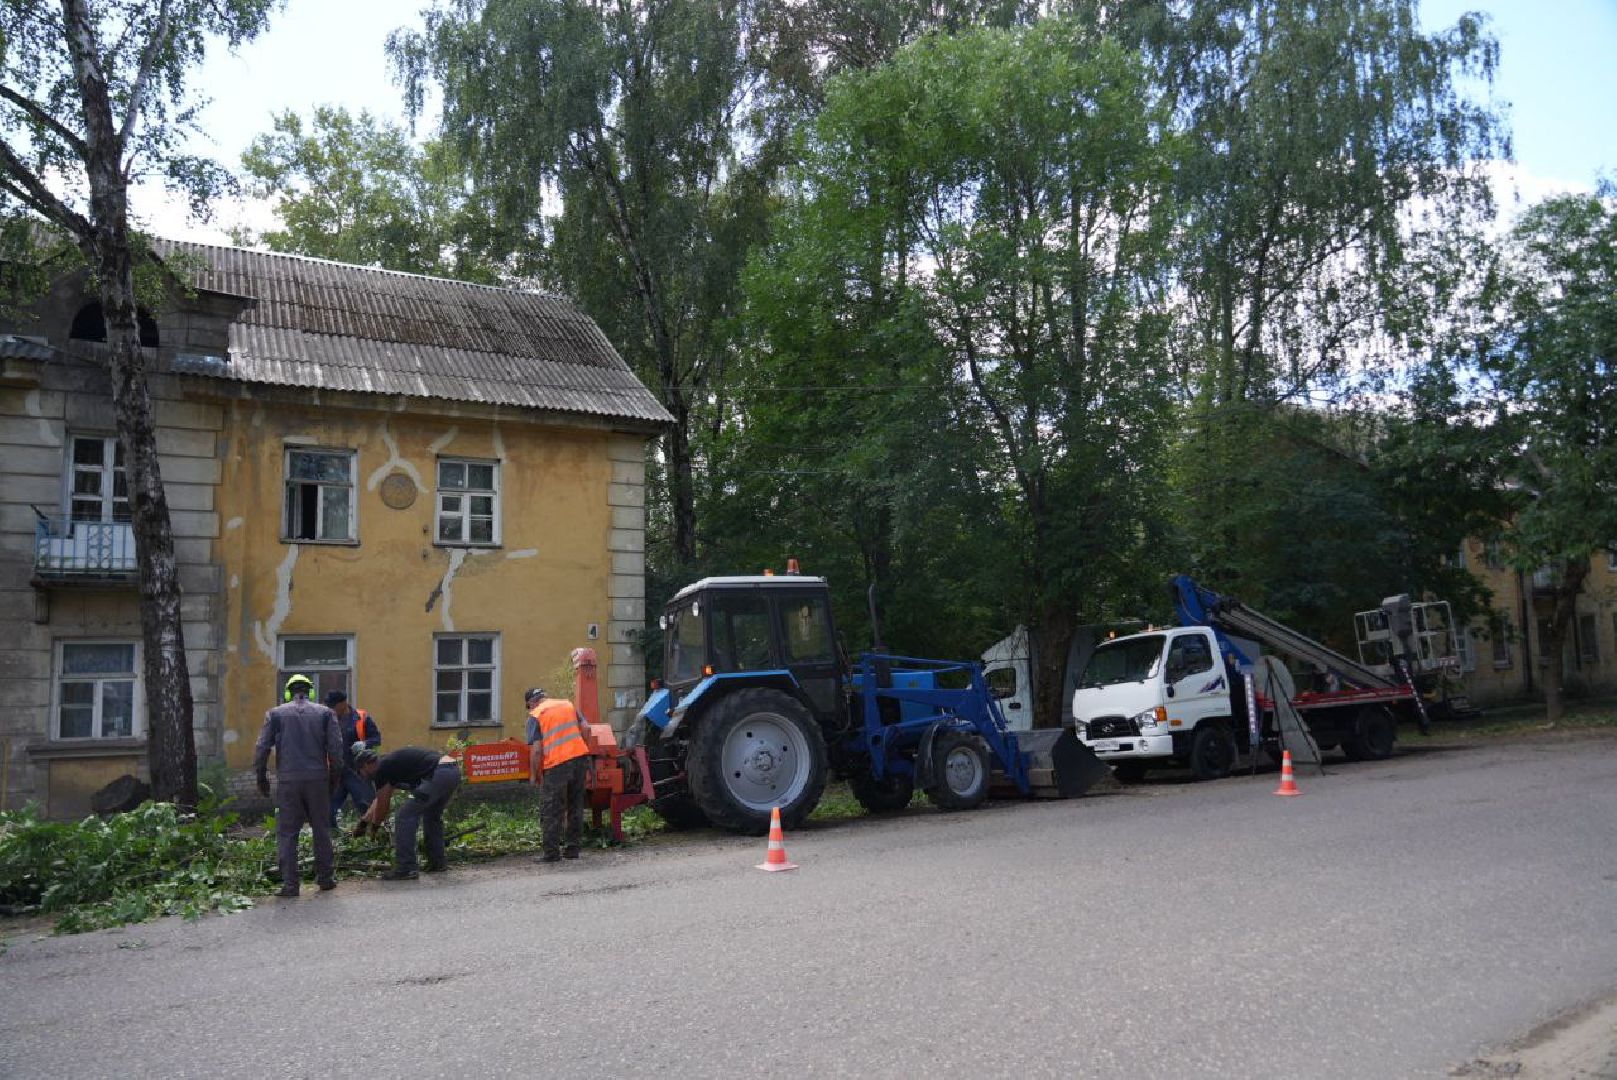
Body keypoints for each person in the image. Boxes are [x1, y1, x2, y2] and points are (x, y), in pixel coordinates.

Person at [255, 673, 343, 897]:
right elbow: (335, 750)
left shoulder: (275, 714)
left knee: (287, 833)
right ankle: (325, 879)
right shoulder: (325, 713)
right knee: (321, 830)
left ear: (288, 692)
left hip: (288, 781)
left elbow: (262, 747)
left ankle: (290, 885)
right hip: (317, 779)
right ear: (310, 691)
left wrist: (261, 777)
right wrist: (334, 778)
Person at [352, 744, 461, 881]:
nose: (362, 776)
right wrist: (363, 823)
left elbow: (383, 805)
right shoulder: (388, 764)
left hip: (437, 774)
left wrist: (374, 828)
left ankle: (406, 868)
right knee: (431, 816)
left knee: (404, 816)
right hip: (452, 770)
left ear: (367, 764)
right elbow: (380, 799)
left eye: (360, 771)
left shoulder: (381, 769)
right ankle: (437, 862)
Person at [525, 687, 591, 863]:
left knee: (552, 809)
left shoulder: (536, 715)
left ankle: (552, 853)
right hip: (579, 760)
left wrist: (534, 775)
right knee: (575, 805)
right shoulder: (568, 705)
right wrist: (581, 749)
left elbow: (537, 750)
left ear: (532, 703)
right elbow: (586, 729)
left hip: (557, 765)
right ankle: (572, 850)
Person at [325, 690, 380, 827]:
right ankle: (332, 836)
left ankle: (372, 833)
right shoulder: (326, 719)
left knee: (366, 805)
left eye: (333, 706)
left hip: (357, 771)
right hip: (336, 771)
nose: (331, 709)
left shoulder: (361, 717)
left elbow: (377, 738)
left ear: (343, 703)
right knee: (328, 809)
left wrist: (365, 744)